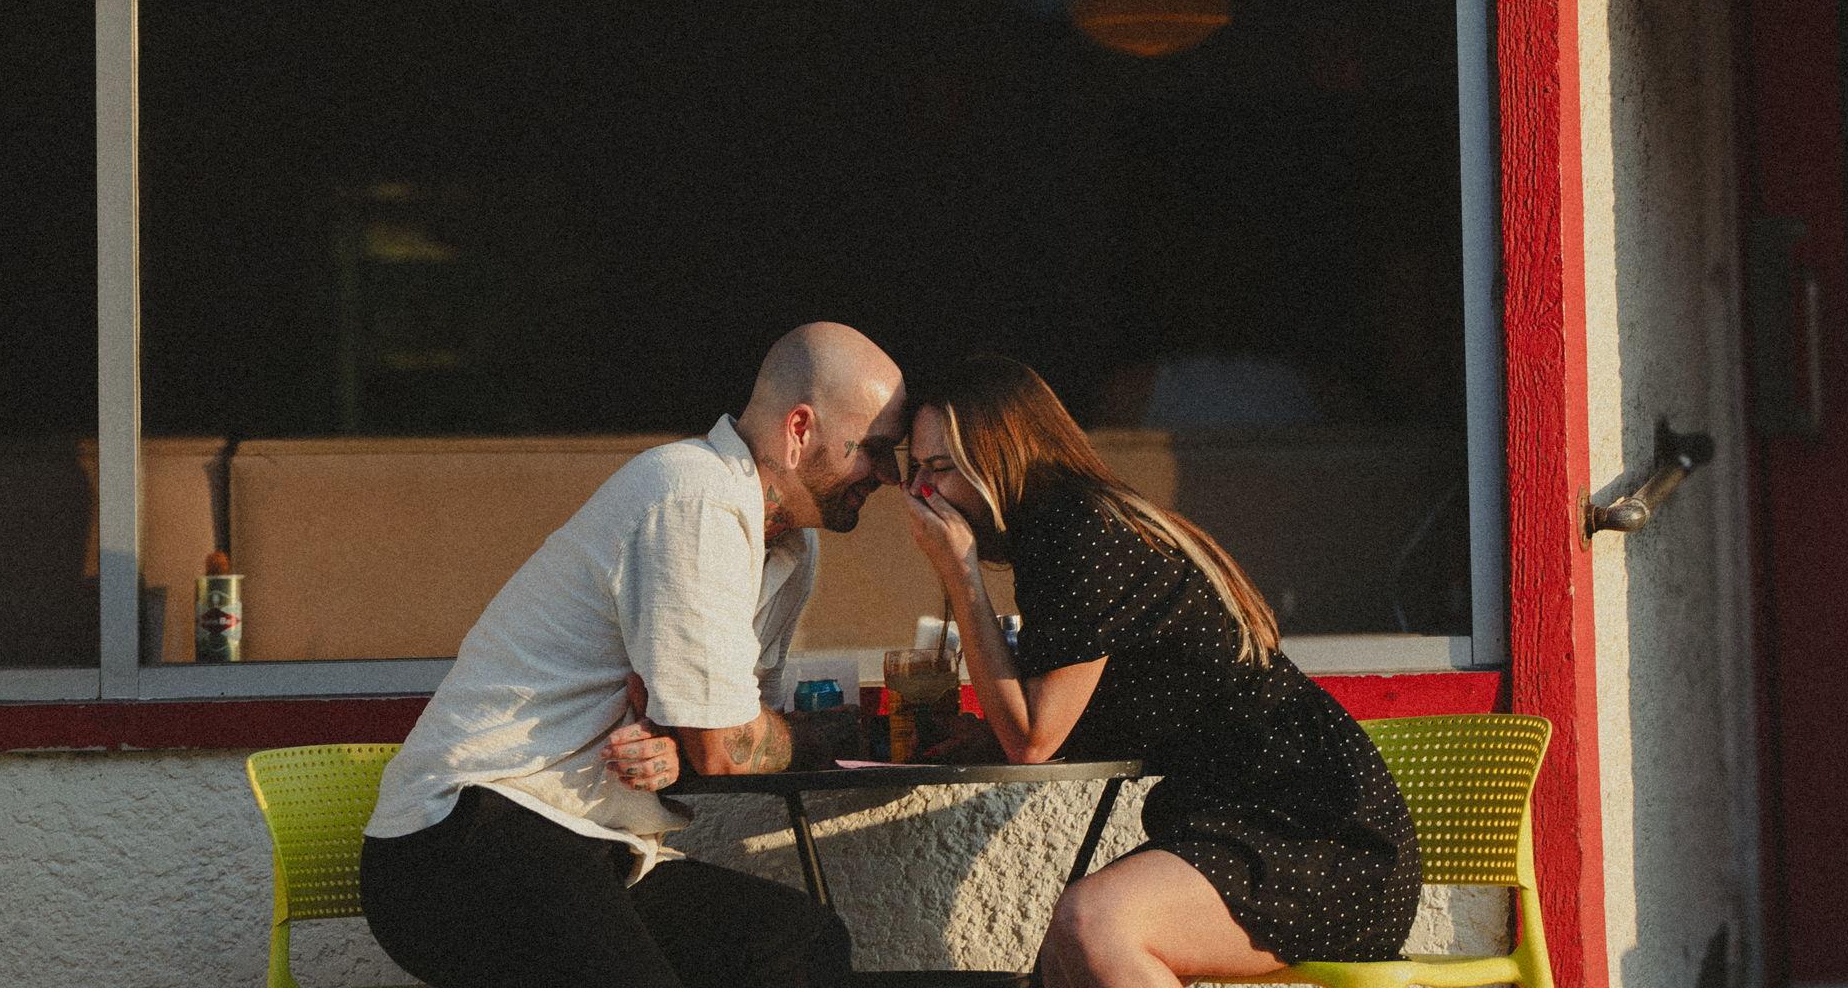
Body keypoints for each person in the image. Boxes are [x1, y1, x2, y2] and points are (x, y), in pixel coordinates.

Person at [360, 322, 909, 988]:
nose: (889, 474)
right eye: (875, 449)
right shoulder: (694, 495)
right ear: (800, 431)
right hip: (465, 840)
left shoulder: (792, 548)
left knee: (798, 945)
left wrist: (689, 744)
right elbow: (728, 743)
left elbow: (727, 737)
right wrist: (791, 736)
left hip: (591, 846)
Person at [902, 354, 1420, 988]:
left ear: (996, 455)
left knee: (1093, 924)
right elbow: (1072, 715)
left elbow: (1032, 740)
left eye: (937, 469)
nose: (921, 494)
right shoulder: (1062, 529)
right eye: (914, 471)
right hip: (1249, 819)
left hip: (1319, 832)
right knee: (1062, 960)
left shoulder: (1079, 530)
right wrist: (984, 731)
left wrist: (960, 572)